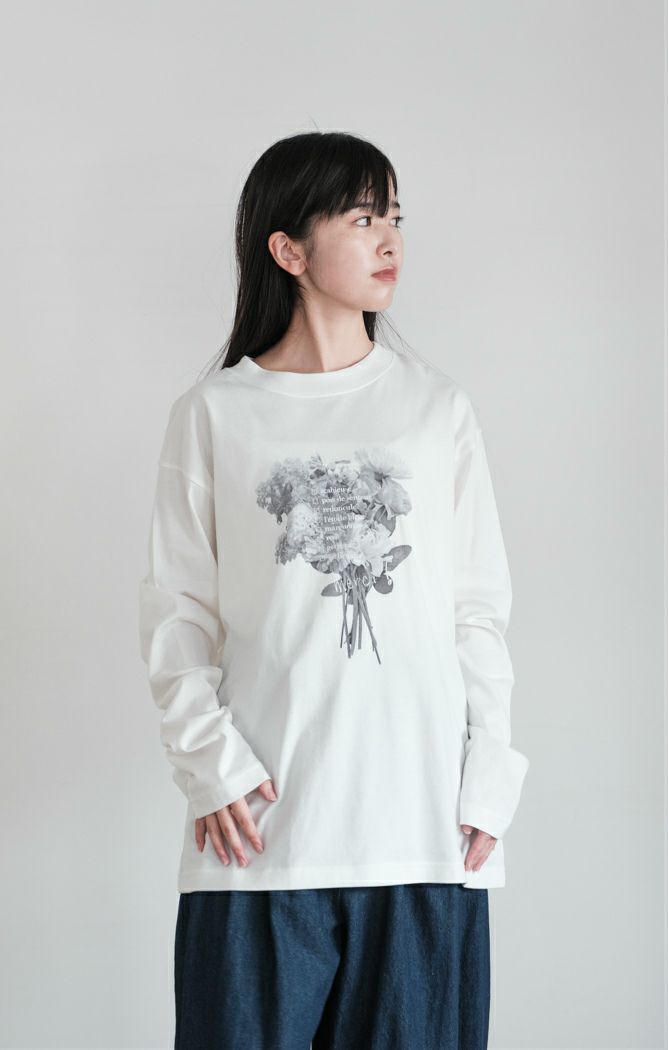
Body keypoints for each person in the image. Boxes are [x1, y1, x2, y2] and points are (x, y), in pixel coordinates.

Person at [138, 130, 530, 1050]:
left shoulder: (436, 409)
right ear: (289, 249)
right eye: (362, 218)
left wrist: (490, 777)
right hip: (260, 840)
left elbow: (477, 609)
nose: (391, 239)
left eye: (395, 216)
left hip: (423, 835)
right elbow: (175, 612)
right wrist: (211, 766)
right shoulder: (215, 415)